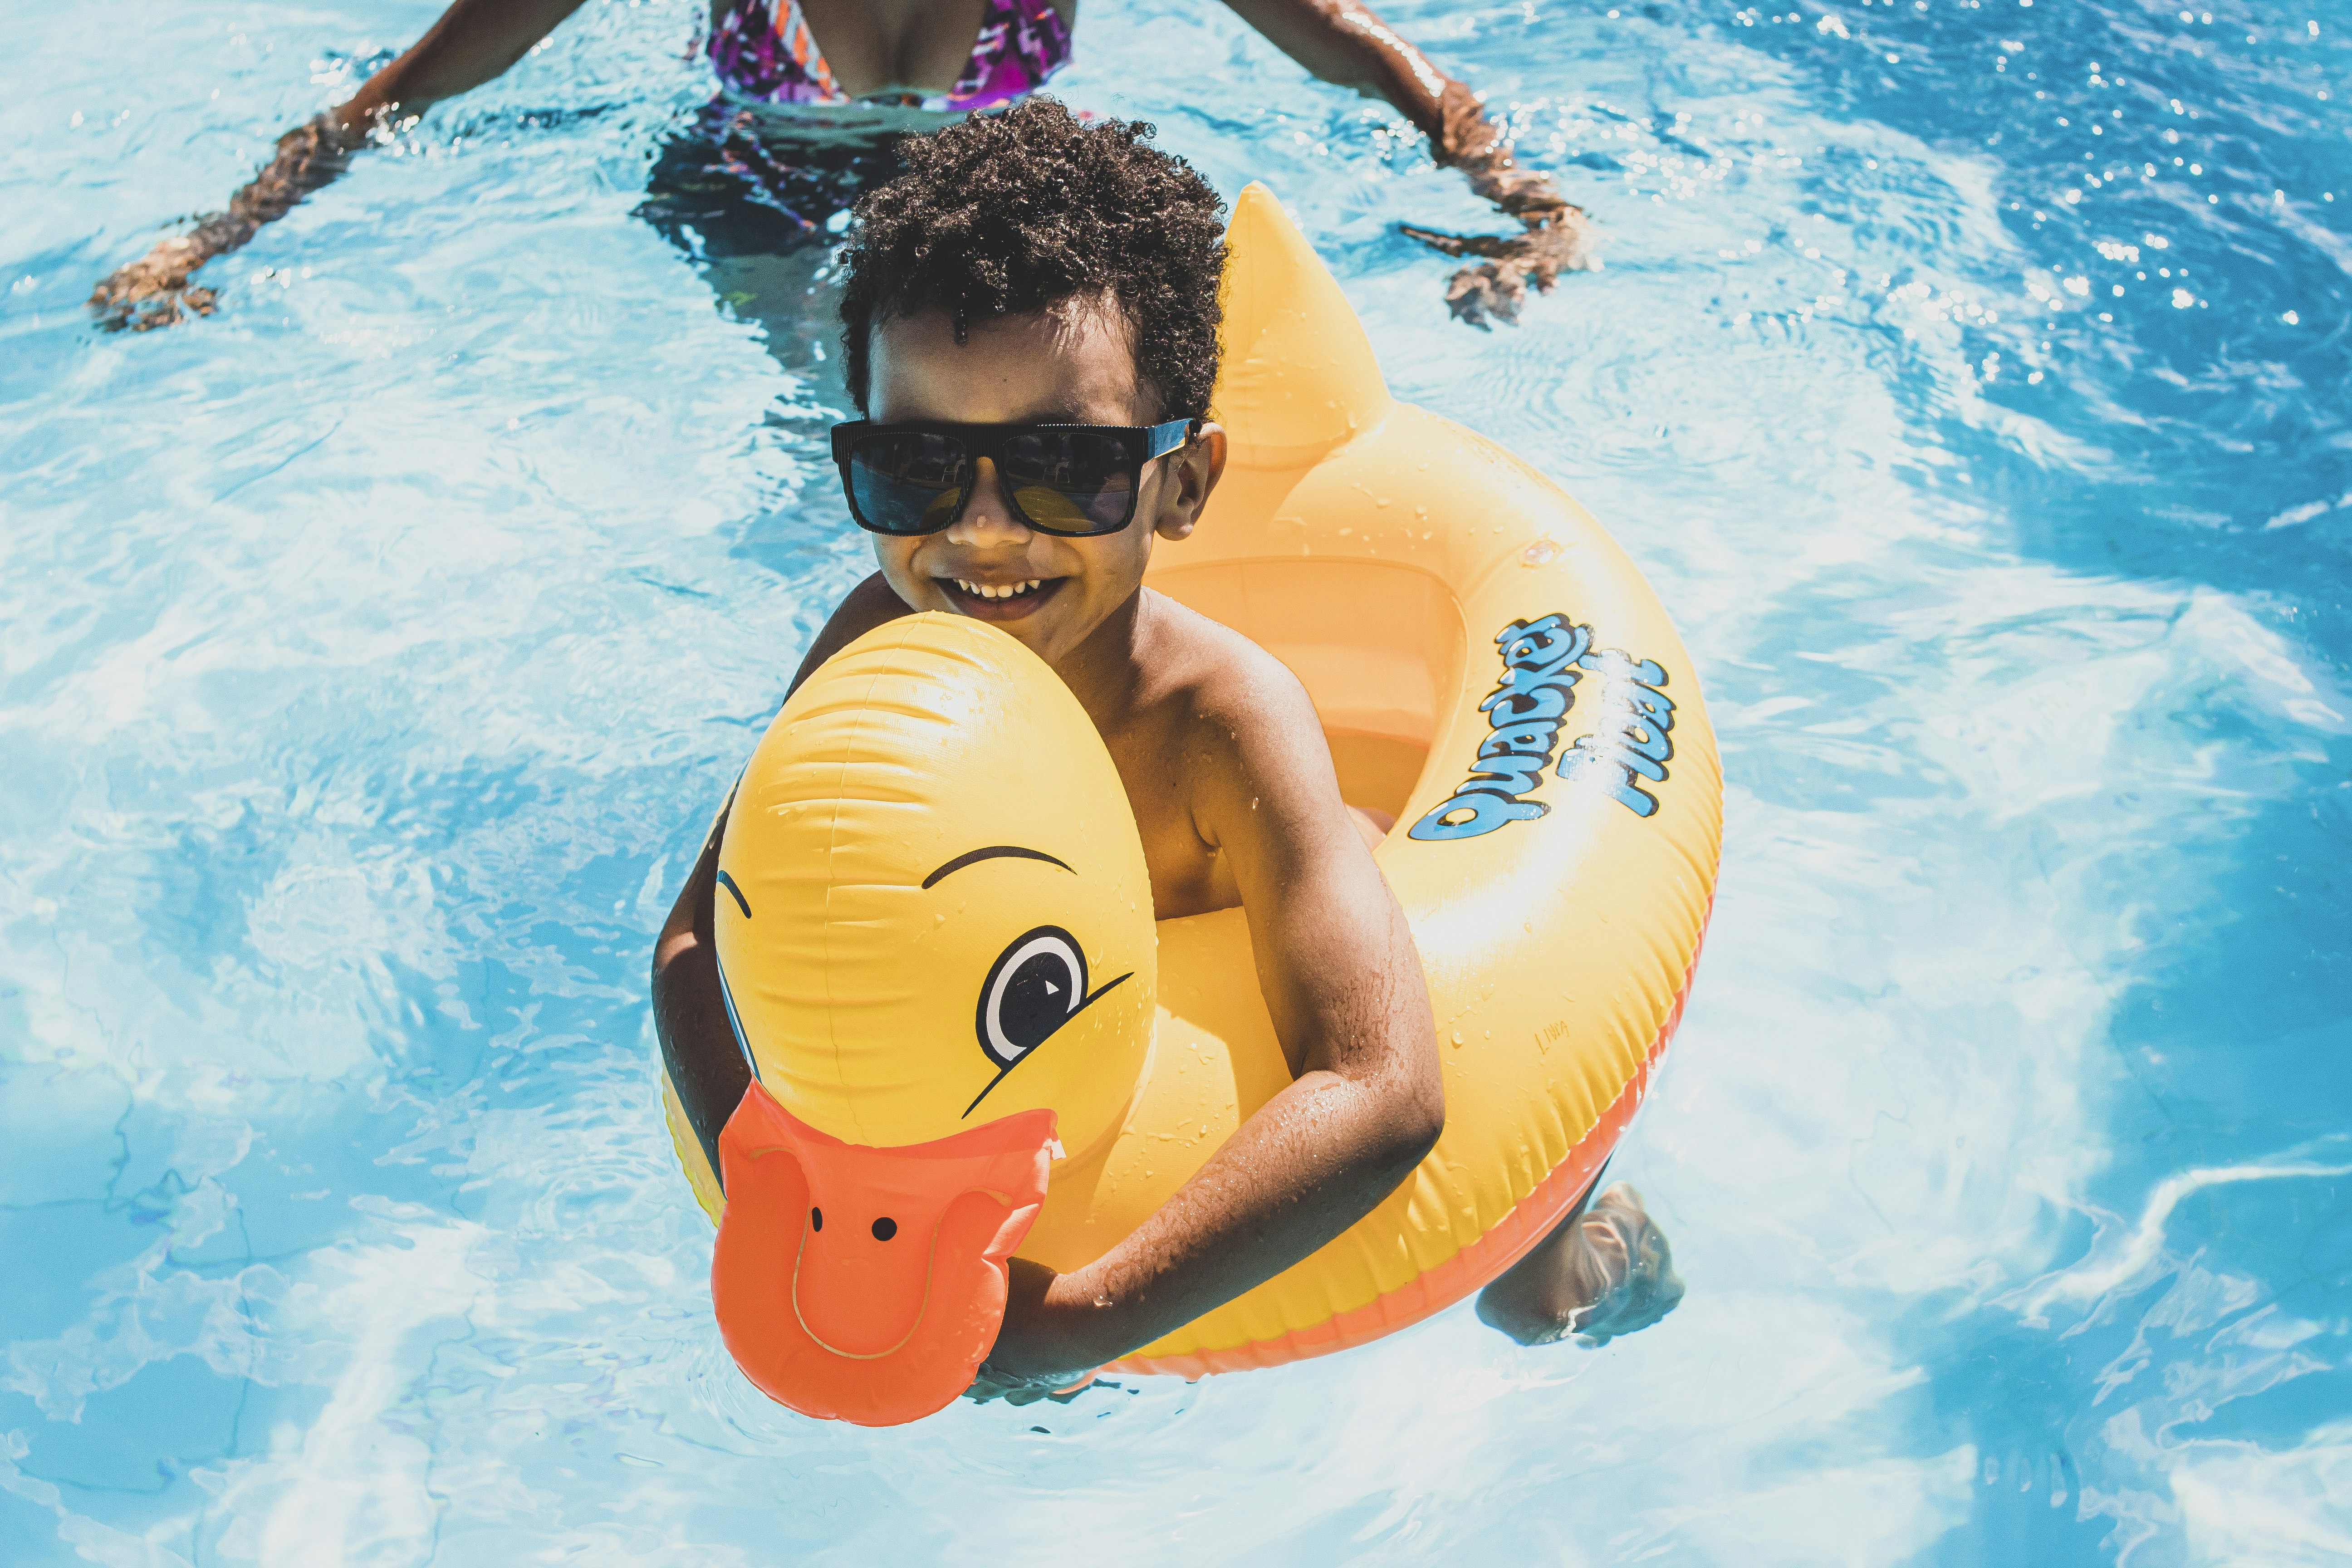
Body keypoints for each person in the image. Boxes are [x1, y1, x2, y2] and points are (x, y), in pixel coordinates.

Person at [648, 101, 1675, 1397]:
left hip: (1404, 962)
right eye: (915, 464)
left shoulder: (1221, 722)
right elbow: (697, 937)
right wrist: (765, 1170)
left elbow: (1386, 1090)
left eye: (1065, 467)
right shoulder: (875, 643)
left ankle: (1608, 1231)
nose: (980, 533)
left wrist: (1071, 1326)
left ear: (1183, 486)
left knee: (1534, 1310)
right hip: (1062, 1042)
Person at [88, 0, 1594, 337]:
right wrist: (209, 241)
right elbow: (411, 89)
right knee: (858, 407)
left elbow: (1349, 47)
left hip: (998, 168)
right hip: (751, 179)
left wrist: (1525, 202)